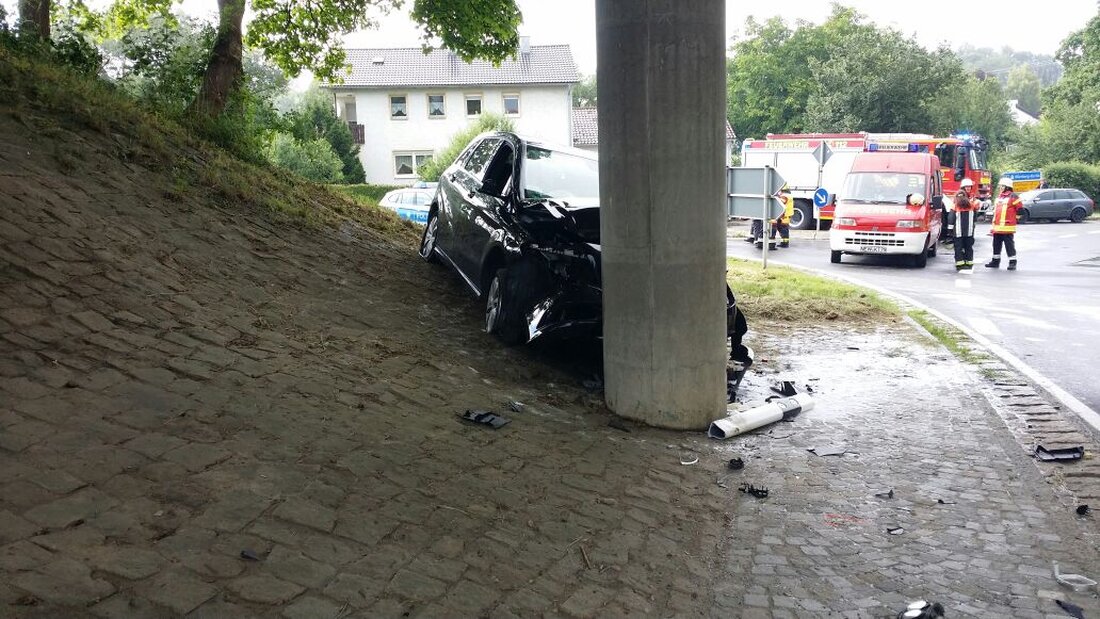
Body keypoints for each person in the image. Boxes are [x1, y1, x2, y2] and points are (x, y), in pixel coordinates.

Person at [986, 177, 1022, 271]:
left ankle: (1012, 262)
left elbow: (1020, 210)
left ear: (1007, 187)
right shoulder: (999, 197)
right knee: (996, 245)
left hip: (1007, 228)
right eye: (1000, 186)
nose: (1000, 188)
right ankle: (995, 262)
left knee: (1009, 246)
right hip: (997, 228)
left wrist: (1014, 220)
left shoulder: (1013, 196)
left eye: (1002, 186)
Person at [952, 188, 977, 272]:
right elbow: (975, 217)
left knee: (958, 248)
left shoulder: (955, 205)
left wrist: (949, 230)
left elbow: (951, 218)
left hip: (958, 232)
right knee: (968, 247)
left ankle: (960, 264)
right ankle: (969, 263)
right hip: (969, 232)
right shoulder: (971, 205)